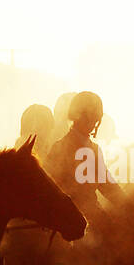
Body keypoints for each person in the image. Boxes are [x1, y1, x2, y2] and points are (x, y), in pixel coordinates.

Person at [42, 90, 125, 236]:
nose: (91, 122)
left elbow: (108, 187)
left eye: (93, 118)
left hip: (91, 218)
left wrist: (129, 206)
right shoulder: (61, 148)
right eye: (89, 117)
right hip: (70, 224)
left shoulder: (93, 149)